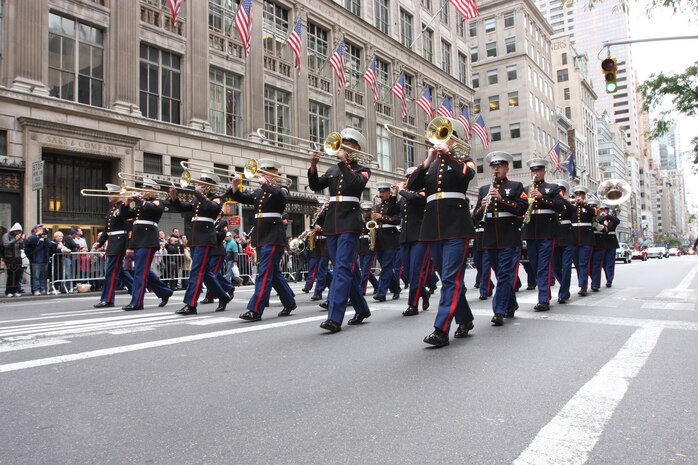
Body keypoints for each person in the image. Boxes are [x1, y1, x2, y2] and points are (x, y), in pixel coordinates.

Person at [406, 118, 477, 347]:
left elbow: (464, 177)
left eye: (446, 136)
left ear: (454, 138)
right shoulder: (433, 163)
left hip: (456, 225)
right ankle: (464, 319)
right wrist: (427, 161)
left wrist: (447, 154)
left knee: (449, 278)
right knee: (450, 279)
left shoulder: (465, 160)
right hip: (433, 227)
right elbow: (412, 185)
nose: (441, 140)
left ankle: (441, 329)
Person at [308, 128, 371, 333]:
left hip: (350, 222)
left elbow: (355, 184)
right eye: (342, 142)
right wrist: (314, 164)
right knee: (344, 268)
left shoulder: (362, 168)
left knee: (342, 268)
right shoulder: (333, 169)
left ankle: (334, 318)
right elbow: (315, 185)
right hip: (332, 223)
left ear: (356, 148)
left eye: (348, 143)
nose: (343, 145)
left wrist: (344, 163)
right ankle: (361, 308)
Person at [227, 159, 297, 320]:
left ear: (275, 172)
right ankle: (289, 301)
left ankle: (256, 309)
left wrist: (266, 184)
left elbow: (282, 197)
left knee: (264, 273)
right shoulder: (258, 192)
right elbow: (242, 198)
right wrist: (235, 186)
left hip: (273, 236)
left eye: (265, 171)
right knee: (273, 273)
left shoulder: (281, 187)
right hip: (261, 236)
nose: (261, 174)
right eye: (261, 171)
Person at [472, 152, 528, 327]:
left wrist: (501, 199)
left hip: (509, 237)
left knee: (504, 274)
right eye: (493, 167)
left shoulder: (516, 186)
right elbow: (474, 217)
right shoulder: (483, 190)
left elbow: (521, 209)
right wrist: (481, 208)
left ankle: (499, 311)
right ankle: (511, 303)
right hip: (490, 237)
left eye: (499, 166)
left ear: (506, 168)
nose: (496, 169)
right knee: (499, 274)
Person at [169, 171, 231, 315]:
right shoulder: (198, 198)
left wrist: (200, 194)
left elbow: (212, 209)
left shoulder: (217, 198)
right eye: (200, 182)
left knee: (196, 271)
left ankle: (191, 304)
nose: (200, 185)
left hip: (205, 237)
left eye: (204, 183)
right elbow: (183, 208)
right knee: (206, 273)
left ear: (211, 185)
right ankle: (223, 296)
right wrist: (174, 198)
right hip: (196, 238)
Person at [122, 179, 173, 311]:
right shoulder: (141, 204)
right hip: (138, 240)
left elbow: (151, 209)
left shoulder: (157, 202)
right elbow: (125, 216)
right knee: (142, 271)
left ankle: (137, 302)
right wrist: (126, 204)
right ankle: (164, 291)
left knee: (140, 271)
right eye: (143, 188)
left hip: (148, 239)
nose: (143, 190)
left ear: (154, 190)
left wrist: (139, 199)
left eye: (147, 188)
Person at [521, 158, 564, 311]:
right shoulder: (525, 189)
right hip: (531, 231)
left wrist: (542, 197)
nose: (536, 173)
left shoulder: (552, 188)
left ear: (544, 171)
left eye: (538, 170)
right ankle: (545, 294)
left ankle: (543, 299)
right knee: (535, 265)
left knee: (543, 266)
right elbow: (520, 209)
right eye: (533, 171)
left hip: (547, 231)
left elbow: (560, 206)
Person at [91, 183, 134, 308]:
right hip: (113, 243)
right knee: (119, 271)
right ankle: (136, 290)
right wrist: (98, 243)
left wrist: (129, 246)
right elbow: (107, 230)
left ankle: (108, 299)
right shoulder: (112, 209)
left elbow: (130, 230)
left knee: (111, 272)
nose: (108, 196)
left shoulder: (124, 209)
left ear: (118, 194)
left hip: (119, 243)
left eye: (110, 193)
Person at [397, 168, 431, 316]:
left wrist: (402, 191)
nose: (408, 180)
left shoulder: (424, 191)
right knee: (408, 272)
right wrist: (393, 195)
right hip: (405, 237)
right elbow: (395, 212)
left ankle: (413, 304)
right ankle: (423, 293)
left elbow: (417, 200)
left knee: (416, 271)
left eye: (411, 177)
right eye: (407, 177)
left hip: (420, 236)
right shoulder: (405, 196)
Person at [372, 182, 402, 302]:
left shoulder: (396, 204)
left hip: (391, 239)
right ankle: (396, 288)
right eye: (380, 192)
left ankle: (381, 292)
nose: (381, 194)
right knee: (386, 267)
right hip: (379, 239)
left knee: (386, 267)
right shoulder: (378, 206)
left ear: (390, 192)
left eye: (383, 192)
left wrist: (382, 217)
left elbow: (397, 220)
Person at [200, 212, 235, 307]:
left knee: (212, 275)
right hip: (209, 251)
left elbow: (221, 236)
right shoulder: (210, 222)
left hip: (217, 252)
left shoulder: (223, 223)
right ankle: (229, 287)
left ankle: (210, 296)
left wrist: (212, 232)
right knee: (214, 274)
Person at [570, 186, 597, 297]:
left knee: (583, 263)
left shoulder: (589, 207)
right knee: (577, 263)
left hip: (587, 239)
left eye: (580, 195)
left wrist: (584, 204)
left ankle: (583, 286)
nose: (578, 197)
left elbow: (594, 213)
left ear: (584, 196)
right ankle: (582, 283)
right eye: (577, 194)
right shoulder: (572, 207)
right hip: (574, 239)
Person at [551, 179, 574, 304]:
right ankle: (564, 286)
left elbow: (574, 212)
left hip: (567, 237)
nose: (559, 193)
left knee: (566, 266)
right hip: (555, 237)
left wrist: (563, 200)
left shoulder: (567, 204)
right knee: (555, 267)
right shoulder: (551, 203)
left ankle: (563, 293)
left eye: (561, 191)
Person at [25, 225, 54, 296]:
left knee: (43, 276)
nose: (41, 230)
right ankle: (36, 289)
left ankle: (43, 288)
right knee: (36, 276)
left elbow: (50, 244)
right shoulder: (33, 237)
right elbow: (29, 241)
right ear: (35, 230)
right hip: (36, 259)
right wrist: (37, 235)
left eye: (42, 229)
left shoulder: (44, 238)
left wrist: (45, 237)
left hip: (44, 259)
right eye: (39, 228)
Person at [358, 202, 379, 296]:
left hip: (369, 247)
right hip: (361, 247)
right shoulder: (360, 220)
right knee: (364, 269)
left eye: (367, 211)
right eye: (364, 211)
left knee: (366, 270)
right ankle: (377, 285)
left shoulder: (373, 221)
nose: (365, 213)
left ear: (370, 211)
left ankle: (362, 290)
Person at [2, 223, 25, 297]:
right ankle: (9, 291)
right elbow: (6, 245)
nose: (18, 233)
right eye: (17, 231)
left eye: (19, 231)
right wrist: (15, 240)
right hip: (9, 257)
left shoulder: (18, 237)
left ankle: (15, 290)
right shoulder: (6, 236)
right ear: (14, 230)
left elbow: (22, 247)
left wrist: (21, 242)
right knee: (11, 275)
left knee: (18, 275)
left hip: (18, 257)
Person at [601, 205, 620, 288]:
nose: (603, 210)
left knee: (610, 263)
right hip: (602, 242)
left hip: (611, 243)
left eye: (605, 209)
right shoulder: (599, 218)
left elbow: (617, 221)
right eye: (602, 209)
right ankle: (607, 277)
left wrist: (607, 216)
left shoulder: (611, 218)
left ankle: (609, 280)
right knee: (604, 263)